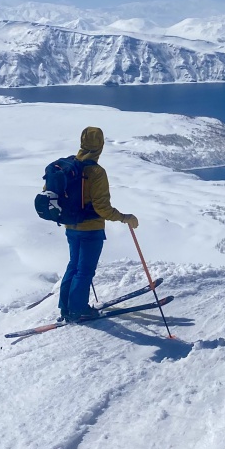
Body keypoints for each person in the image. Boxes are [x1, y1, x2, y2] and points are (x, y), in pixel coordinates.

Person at [58, 126, 139, 323]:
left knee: (73, 265)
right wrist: (124, 217)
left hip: (71, 226)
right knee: (84, 270)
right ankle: (79, 310)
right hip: (91, 229)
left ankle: (66, 308)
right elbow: (102, 208)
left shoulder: (68, 167)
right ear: (100, 146)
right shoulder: (96, 172)